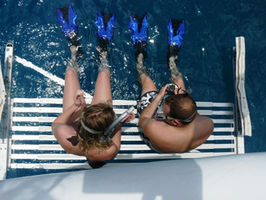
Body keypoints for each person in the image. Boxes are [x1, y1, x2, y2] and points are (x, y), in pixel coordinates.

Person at [52, 5, 134, 168]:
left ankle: (75, 50)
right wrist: (117, 123)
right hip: (98, 124)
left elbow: (57, 124)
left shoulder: (69, 141)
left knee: (70, 73)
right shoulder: (109, 151)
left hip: (75, 122)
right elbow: (116, 126)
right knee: (103, 75)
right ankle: (103, 51)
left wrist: (76, 107)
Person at [129, 16, 214, 153]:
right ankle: (172, 58)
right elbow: (191, 112)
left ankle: (140, 52)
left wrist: (158, 97)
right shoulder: (207, 125)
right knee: (179, 81)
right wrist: (183, 97)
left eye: (164, 110)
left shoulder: (158, 130)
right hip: (181, 120)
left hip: (155, 135)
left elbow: (144, 119)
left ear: (175, 122)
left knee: (147, 80)